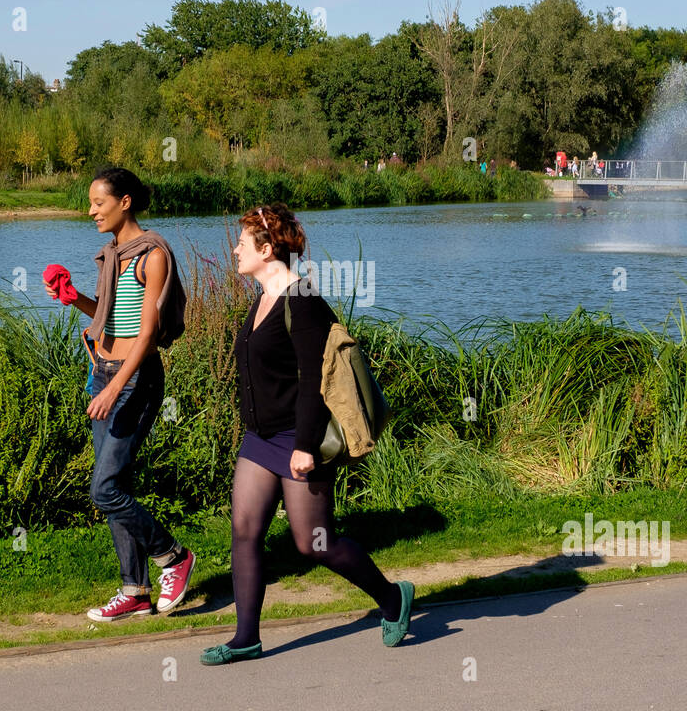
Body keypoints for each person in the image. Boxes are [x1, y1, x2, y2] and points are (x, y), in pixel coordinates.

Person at [200, 203, 414, 664]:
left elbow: (315, 382)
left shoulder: (303, 300)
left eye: (242, 242)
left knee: (313, 542)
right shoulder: (262, 297)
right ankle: (245, 638)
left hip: (298, 439)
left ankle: (393, 597)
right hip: (259, 439)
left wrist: (303, 447)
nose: (235, 249)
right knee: (244, 531)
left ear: (266, 248)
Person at [45, 167, 196, 621]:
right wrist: (76, 300)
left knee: (105, 488)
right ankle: (135, 590)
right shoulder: (113, 255)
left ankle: (174, 557)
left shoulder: (151, 256)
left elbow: (147, 336)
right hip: (103, 371)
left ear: (124, 202)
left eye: (98, 202)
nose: (90, 211)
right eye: (90, 203)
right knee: (117, 487)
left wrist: (115, 387)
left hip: (133, 380)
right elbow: (112, 318)